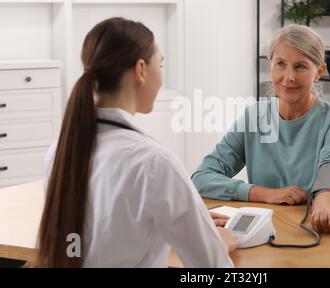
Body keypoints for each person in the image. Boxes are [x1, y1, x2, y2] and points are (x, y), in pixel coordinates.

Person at [37, 17, 238, 268]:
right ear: (140, 70)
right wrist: (215, 243)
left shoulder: (58, 152)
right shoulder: (154, 162)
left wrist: (172, 225)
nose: (162, 79)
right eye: (161, 65)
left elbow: (90, 241)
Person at [192, 24, 330, 234]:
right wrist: (265, 193)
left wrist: (324, 210)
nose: (288, 77)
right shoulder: (254, 117)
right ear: (270, 65)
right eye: (280, 64)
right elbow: (202, 177)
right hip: (273, 228)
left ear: (319, 72)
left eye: (300, 66)